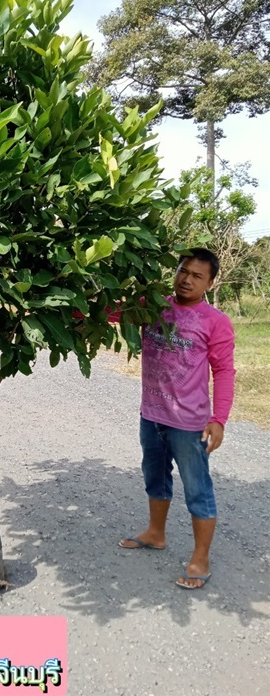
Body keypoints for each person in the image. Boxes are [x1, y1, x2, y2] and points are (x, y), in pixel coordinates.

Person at [118, 248, 235, 590]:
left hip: (189, 423)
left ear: (210, 283)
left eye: (197, 276)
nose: (186, 279)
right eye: (183, 271)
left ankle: (200, 557)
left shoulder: (215, 321)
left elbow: (224, 370)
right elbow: (110, 312)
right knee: (154, 476)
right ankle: (156, 534)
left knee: (198, 489)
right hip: (151, 414)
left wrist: (219, 419)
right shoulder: (153, 304)